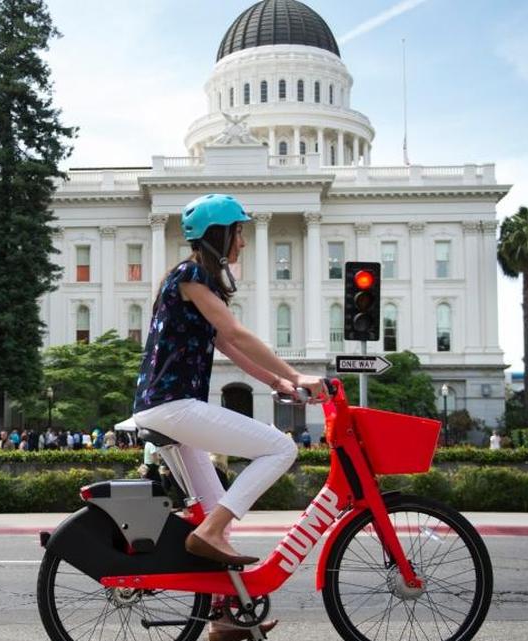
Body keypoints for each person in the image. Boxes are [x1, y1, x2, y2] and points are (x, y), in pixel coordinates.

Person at [132, 194, 324, 641]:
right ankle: (212, 534)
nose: (243, 240)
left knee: (216, 507)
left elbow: (226, 344)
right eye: (238, 231)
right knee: (281, 447)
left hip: (167, 404)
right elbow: (236, 332)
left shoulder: (201, 281)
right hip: (172, 402)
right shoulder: (191, 275)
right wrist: (296, 372)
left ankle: (223, 615)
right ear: (219, 235)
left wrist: (276, 383)